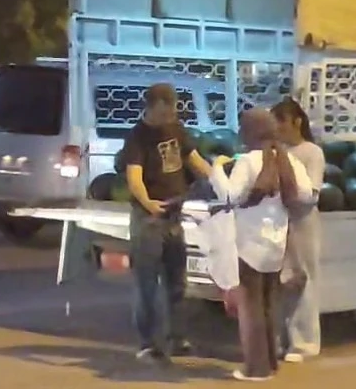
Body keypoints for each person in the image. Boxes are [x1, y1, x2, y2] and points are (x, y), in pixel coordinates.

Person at [210, 109, 314, 382]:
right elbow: (305, 193)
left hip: (248, 244)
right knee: (268, 305)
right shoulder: (288, 159)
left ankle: (256, 369)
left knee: (251, 308)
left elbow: (230, 196)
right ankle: (269, 362)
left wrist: (216, 168)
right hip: (276, 244)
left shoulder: (247, 161)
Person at [120, 83, 212, 364]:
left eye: (172, 111)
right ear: (151, 107)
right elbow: (134, 178)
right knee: (147, 285)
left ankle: (178, 339)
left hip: (174, 217)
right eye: (164, 111)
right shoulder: (137, 137)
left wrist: (220, 180)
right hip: (148, 219)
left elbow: (195, 162)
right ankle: (148, 344)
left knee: (177, 283)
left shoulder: (176, 130)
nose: (169, 116)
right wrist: (149, 204)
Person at [271, 98, 325, 363]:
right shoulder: (276, 151)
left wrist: (288, 193)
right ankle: (282, 340)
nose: (277, 129)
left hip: (302, 224)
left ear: (297, 122)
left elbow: (312, 193)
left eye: (281, 122)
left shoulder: (312, 152)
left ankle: (305, 343)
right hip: (278, 224)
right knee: (281, 283)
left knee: (303, 281)